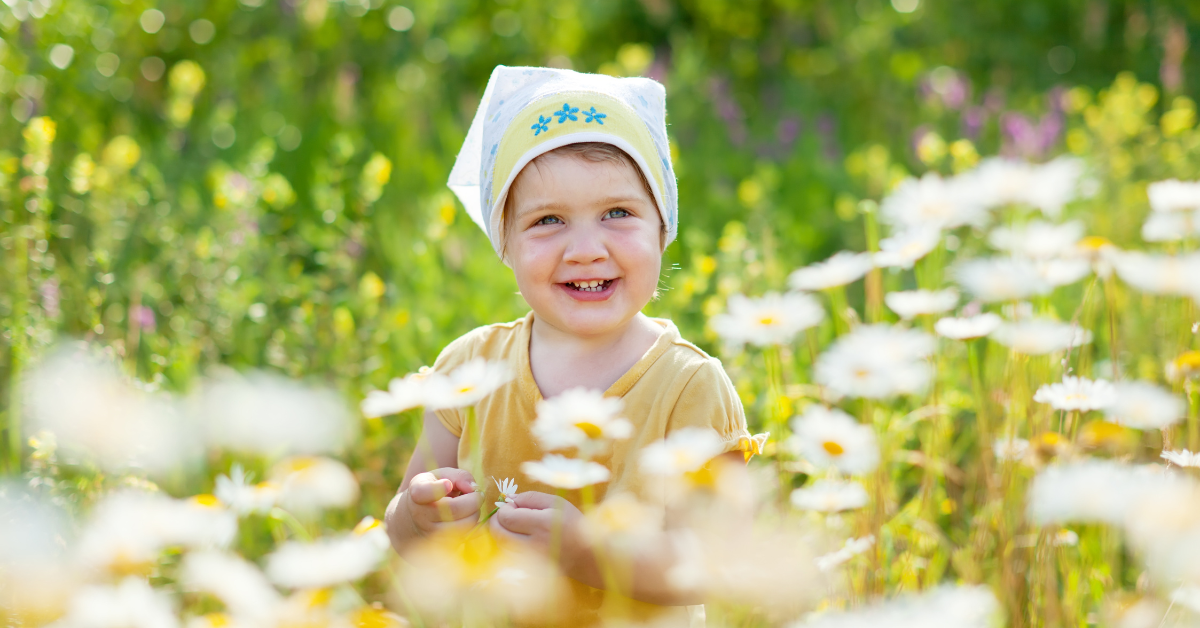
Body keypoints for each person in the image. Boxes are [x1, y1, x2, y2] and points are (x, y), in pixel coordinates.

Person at [384, 66, 752, 626]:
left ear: (663, 228)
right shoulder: (471, 368)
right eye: (548, 219)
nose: (585, 249)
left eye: (618, 214)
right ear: (502, 241)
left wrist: (588, 551)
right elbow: (406, 533)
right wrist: (419, 517)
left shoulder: (688, 387)